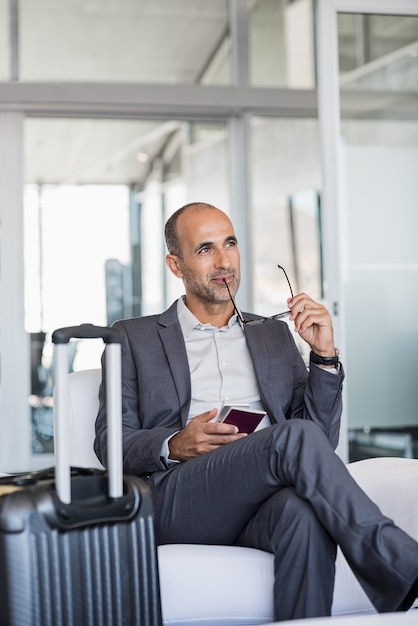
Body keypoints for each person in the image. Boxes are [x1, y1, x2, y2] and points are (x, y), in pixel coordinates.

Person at [94, 201, 418, 621]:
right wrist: (176, 443)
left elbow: (318, 437)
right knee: (292, 439)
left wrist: (323, 356)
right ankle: (396, 560)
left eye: (230, 243)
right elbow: (109, 445)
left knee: (303, 516)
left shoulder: (274, 334)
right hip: (179, 495)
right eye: (205, 249)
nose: (224, 260)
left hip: (260, 491)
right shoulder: (131, 337)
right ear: (176, 265)